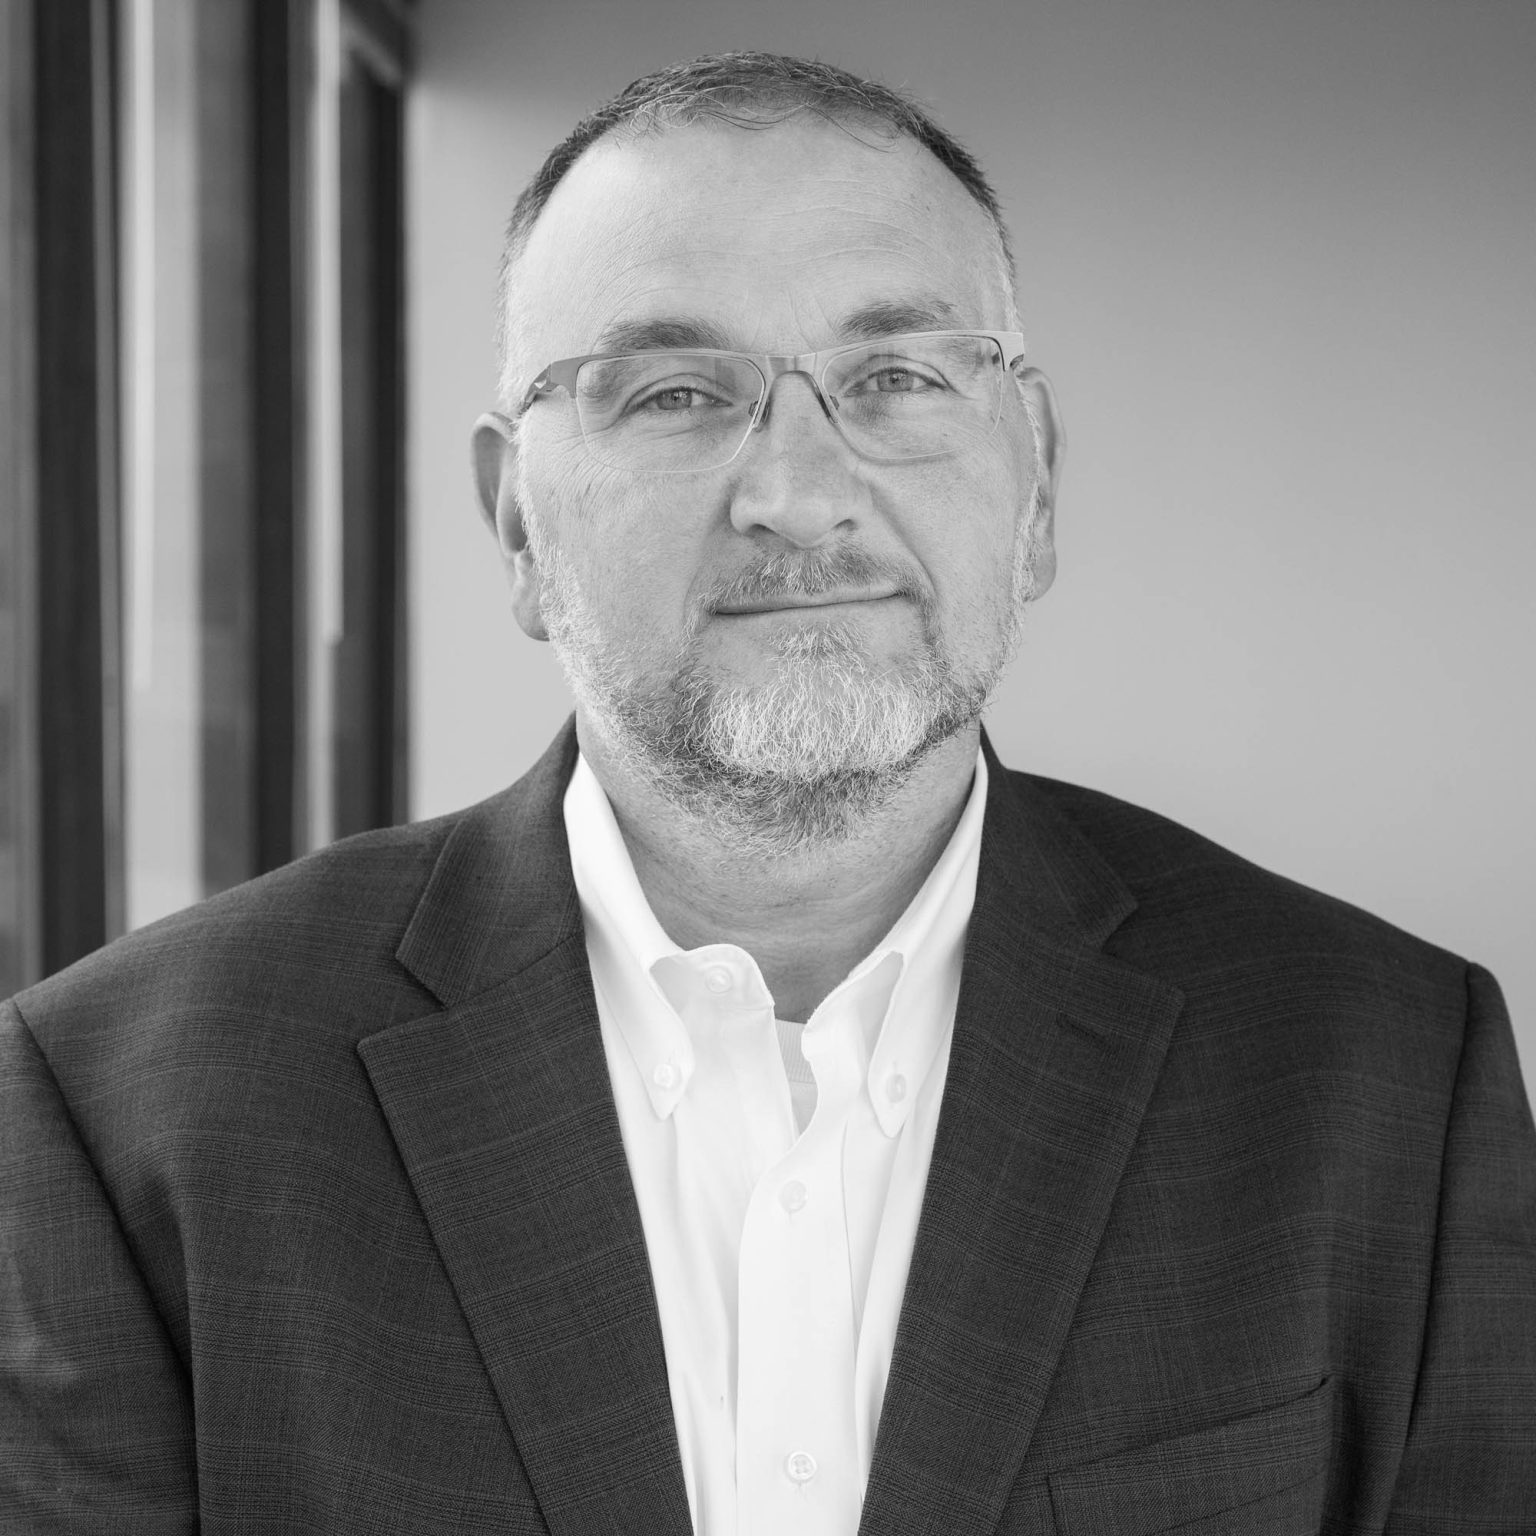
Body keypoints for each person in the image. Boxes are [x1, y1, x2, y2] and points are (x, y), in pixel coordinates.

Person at [3, 49, 1533, 1536]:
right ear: (518, 528)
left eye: (897, 375)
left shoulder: (1384, 1072)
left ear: (1040, 487)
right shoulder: (124, 1105)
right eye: (673, 392)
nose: (797, 492)